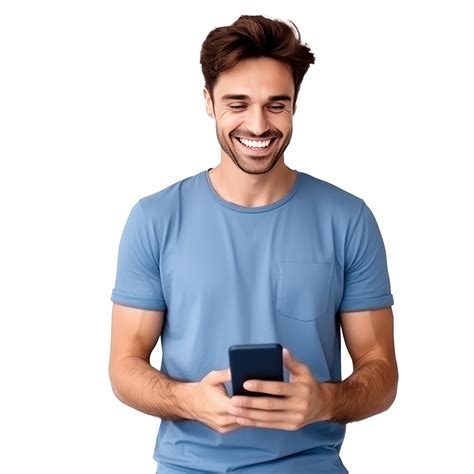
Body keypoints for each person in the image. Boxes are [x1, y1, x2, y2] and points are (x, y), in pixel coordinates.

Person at [109, 14, 398, 473]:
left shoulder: (348, 219)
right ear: (208, 101)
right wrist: (187, 400)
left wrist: (325, 400)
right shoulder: (155, 219)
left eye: (276, 104)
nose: (258, 125)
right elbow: (124, 365)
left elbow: (380, 370)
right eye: (237, 103)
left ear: (296, 104)